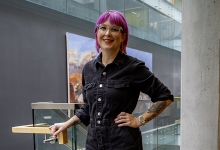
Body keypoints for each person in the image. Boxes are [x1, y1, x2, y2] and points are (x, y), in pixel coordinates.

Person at [49, 10, 173, 150]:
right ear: (97, 32)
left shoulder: (133, 67)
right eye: (103, 28)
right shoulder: (88, 69)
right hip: (94, 144)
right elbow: (88, 108)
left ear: (122, 36)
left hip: (123, 144)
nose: (107, 33)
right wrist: (66, 124)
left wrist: (140, 120)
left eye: (114, 29)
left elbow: (165, 96)